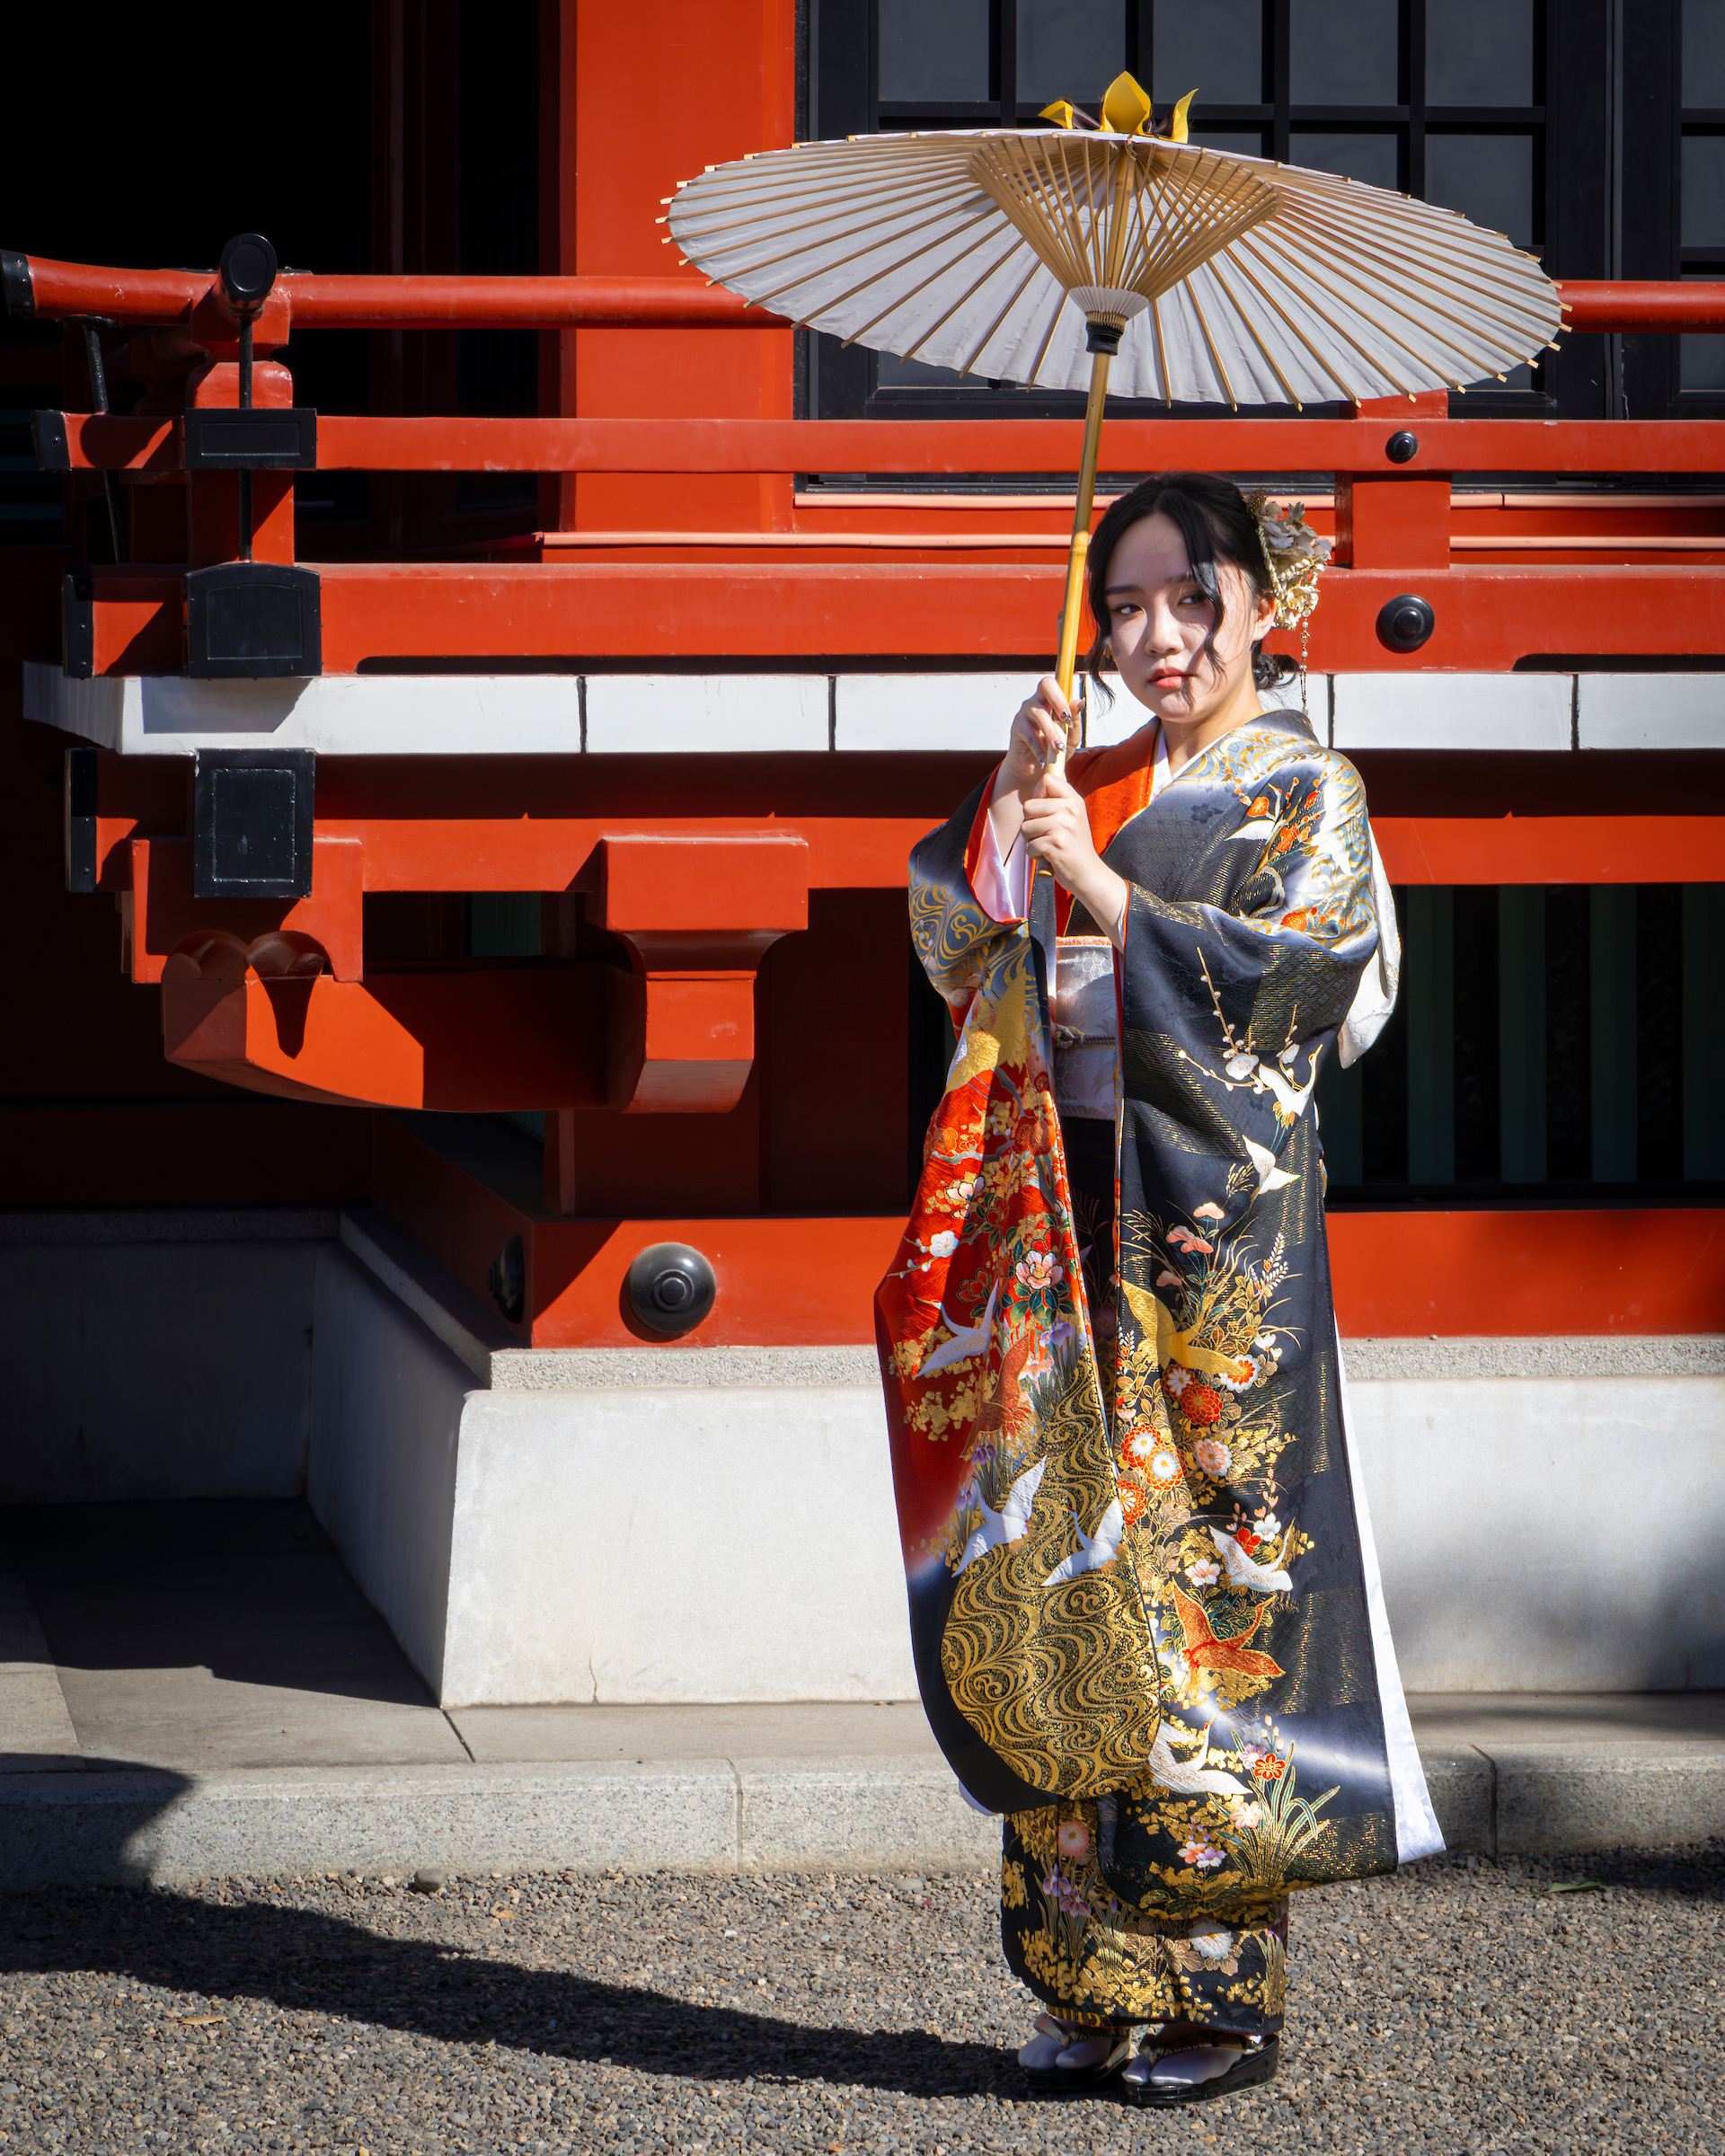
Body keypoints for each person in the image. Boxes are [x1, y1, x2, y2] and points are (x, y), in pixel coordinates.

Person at [874, 472, 1441, 2107]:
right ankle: (1078, 1976)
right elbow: (956, 947)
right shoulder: (1090, 771)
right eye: (1122, 604)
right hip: (1066, 1232)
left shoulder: (1305, 792)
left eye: (1189, 598)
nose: (1154, 636)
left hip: (1207, 1266)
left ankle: (1215, 1998)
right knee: (1063, 1579)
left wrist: (1110, 892)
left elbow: (1293, 999)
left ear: (1263, 604)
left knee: (1200, 1614)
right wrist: (1017, 794)